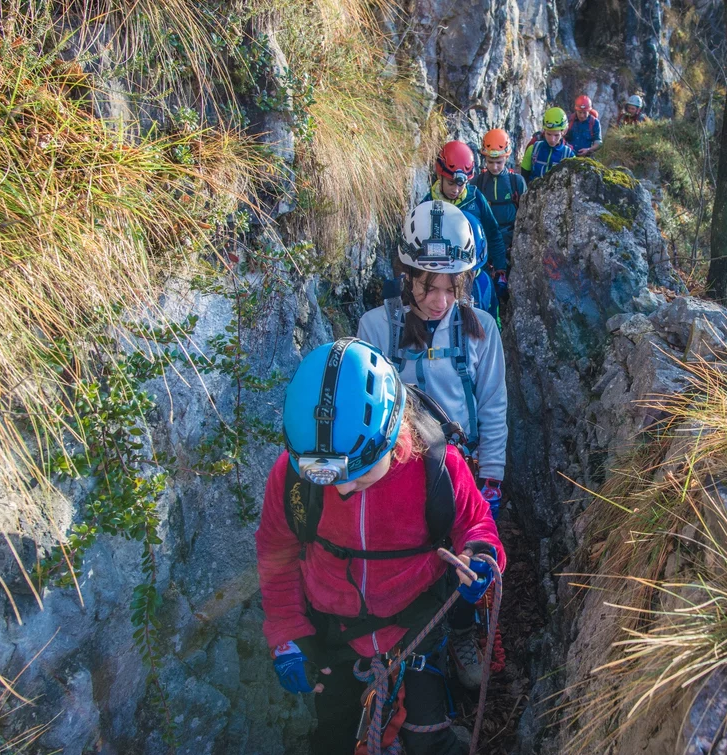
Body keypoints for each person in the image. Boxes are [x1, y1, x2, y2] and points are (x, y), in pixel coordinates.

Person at [257, 337, 506, 755]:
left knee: (430, 743)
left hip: (415, 630)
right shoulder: (294, 476)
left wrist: (481, 556)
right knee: (334, 740)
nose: (345, 489)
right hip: (333, 636)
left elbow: (475, 523)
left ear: (394, 438)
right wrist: (287, 633)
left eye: (360, 473)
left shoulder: (435, 466)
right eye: (330, 477)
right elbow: (276, 552)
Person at [356, 200, 508, 690]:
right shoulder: (376, 330)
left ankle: (462, 631)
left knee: (465, 562)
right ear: (407, 275)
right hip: (400, 475)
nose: (440, 300)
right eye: (428, 285)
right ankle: (413, 655)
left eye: (452, 286)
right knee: (408, 564)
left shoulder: (481, 330)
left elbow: (492, 405)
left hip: (460, 472)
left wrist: (492, 477)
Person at [427, 140, 507, 288]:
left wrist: (500, 268)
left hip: (475, 274)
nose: (456, 190)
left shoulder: (475, 198)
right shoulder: (428, 204)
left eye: (461, 184)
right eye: (451, 183)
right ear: (440, 176)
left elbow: (493, 232)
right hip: (441, 279)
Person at [472, 129, 527, 275]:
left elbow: (527, 215)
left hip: (511, 242)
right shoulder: (477, 183)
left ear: (507, 158)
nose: (494, 167)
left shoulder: (517, 182)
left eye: (499, 162)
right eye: (490, 162)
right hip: (485, 240)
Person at [520, 107, 576, 182]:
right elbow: (523, 178)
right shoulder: (533, 149)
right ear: (544, 131)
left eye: (556, 135)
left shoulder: (569, 155)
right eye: (549, 134)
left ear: (564, 132)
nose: (552, 140)